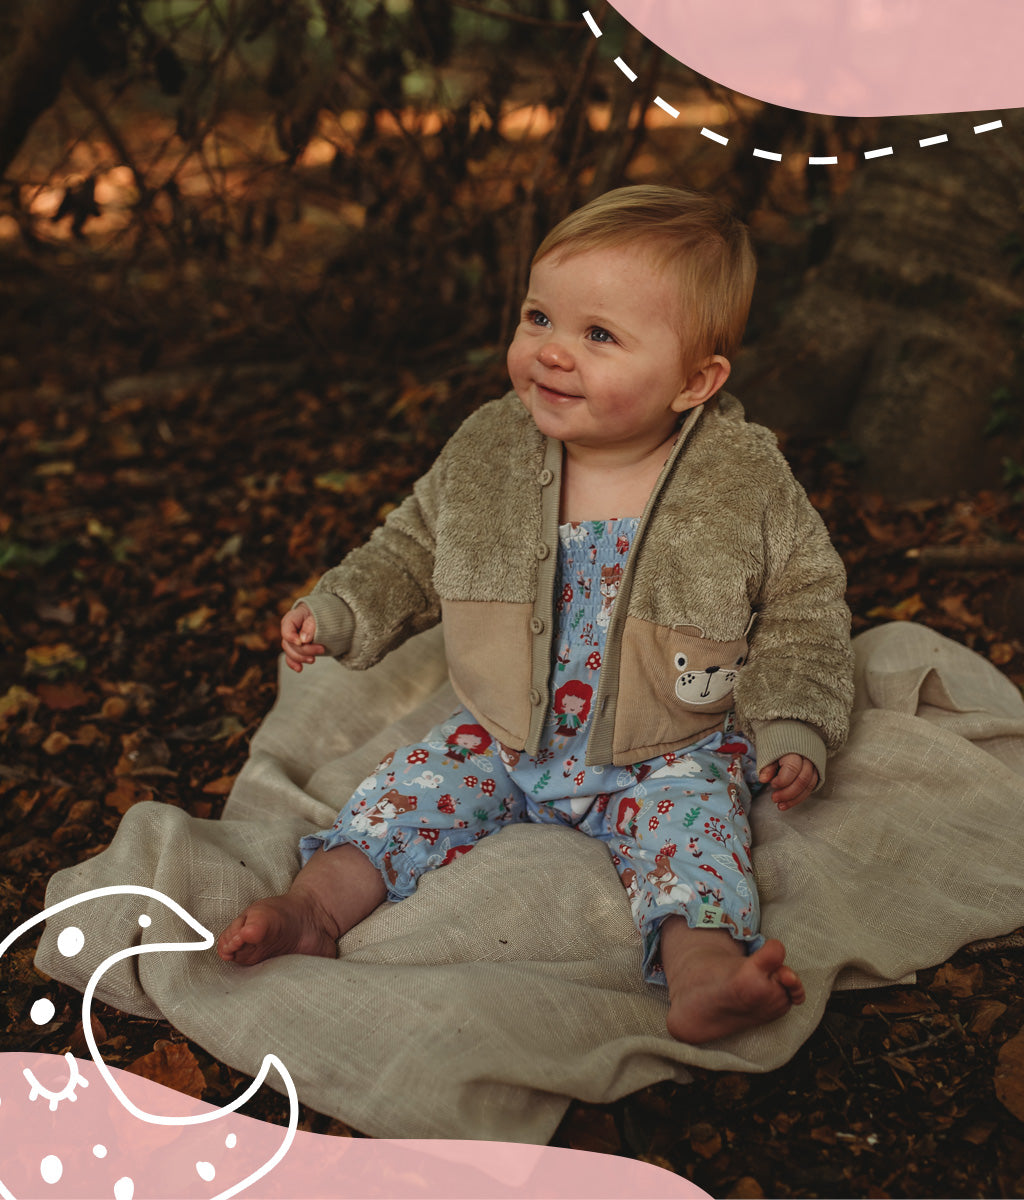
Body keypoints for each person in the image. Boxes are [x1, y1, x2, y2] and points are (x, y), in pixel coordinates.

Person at [218, 185, 854, 1045]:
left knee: (696, 837)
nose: (552, 354)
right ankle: (312, 911)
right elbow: (411, 546)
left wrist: (793, 721)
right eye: (538, 318)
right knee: (400, 802)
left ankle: (703, 972)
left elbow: (803, 605)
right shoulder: (490, 445)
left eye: (598, 336)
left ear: (694, 381)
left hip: (666, 745)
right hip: (503, 733)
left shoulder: (740, 480)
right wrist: (342, 605)